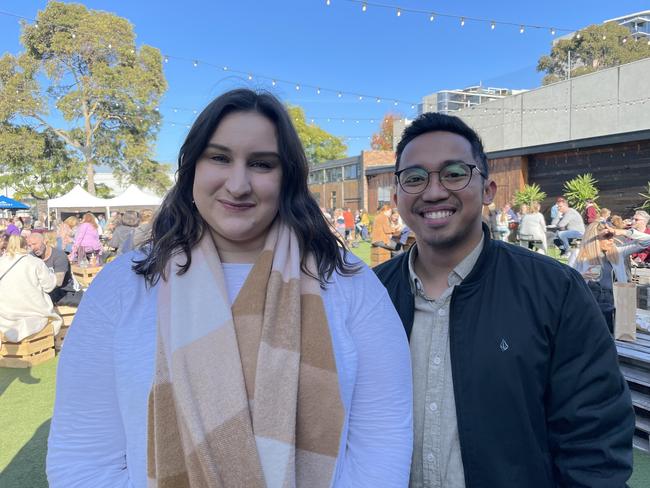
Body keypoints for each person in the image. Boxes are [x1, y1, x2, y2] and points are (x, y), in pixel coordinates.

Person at [47, 88, 412, 487]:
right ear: (192, 169)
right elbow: (84, 457)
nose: (238, 184)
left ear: (287, 176)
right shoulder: (124, 286)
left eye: (261, 164)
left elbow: (382, 441)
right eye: (219, 158)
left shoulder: (349, 284)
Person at [373, 111, 634, 487]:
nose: (433, 191)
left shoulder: (554, 291)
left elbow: (595, 437)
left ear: (488, 190)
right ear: (397, 195)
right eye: (415, 178)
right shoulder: (368, 296)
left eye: (454, 173)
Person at [569, 222, 650, 332]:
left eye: (612, 237)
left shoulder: (618, 252)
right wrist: (580, 276)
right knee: (589, 332)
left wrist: (621, 231)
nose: (611, 240)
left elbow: (647, 241)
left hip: (613, 300)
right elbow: (566, 280)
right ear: (594, 239)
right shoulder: (579, 254)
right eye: (607, 237)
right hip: (589, 298)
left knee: (611, 333)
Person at [0, 235, 61, 343]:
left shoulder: (2, 261)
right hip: (32, 309)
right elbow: (49, 286)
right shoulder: (35, 262)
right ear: (25, 246)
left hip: (5, 311)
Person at [27, 232, 83, 307]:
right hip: (42, 292)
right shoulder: (31, 257)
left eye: (35, 244)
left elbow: (58, 282)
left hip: (64, 291)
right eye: (30, 245)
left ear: (45, 241)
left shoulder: (59, 256)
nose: (33, 248)